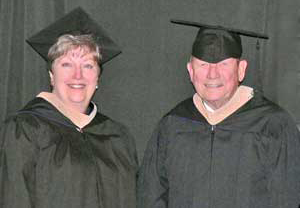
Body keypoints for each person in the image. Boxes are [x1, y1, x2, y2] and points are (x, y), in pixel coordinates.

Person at [138, 19, 300, 208]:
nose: (212, 74)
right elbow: (150, 197)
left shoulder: (273, 126)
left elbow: (287, 199)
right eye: (203, 64)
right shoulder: (172, 125)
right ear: (190, 71)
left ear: (241, 70)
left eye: (223, 64)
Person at [0, 7, 137, 208]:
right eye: (66, 64)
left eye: (88, 66)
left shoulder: (118, 137)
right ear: (51, 75)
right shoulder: (26, 129)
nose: (77, 76)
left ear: (97, 78)